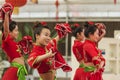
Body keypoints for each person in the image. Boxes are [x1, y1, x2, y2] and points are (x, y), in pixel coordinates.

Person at [1, 3, 27, 80]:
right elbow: (6, 30)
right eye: (16, 30)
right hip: (14, 71)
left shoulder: (15, 43)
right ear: (10, 32)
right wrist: (6, 14)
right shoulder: (7, 41)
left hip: (19, 72)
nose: (18, 32)